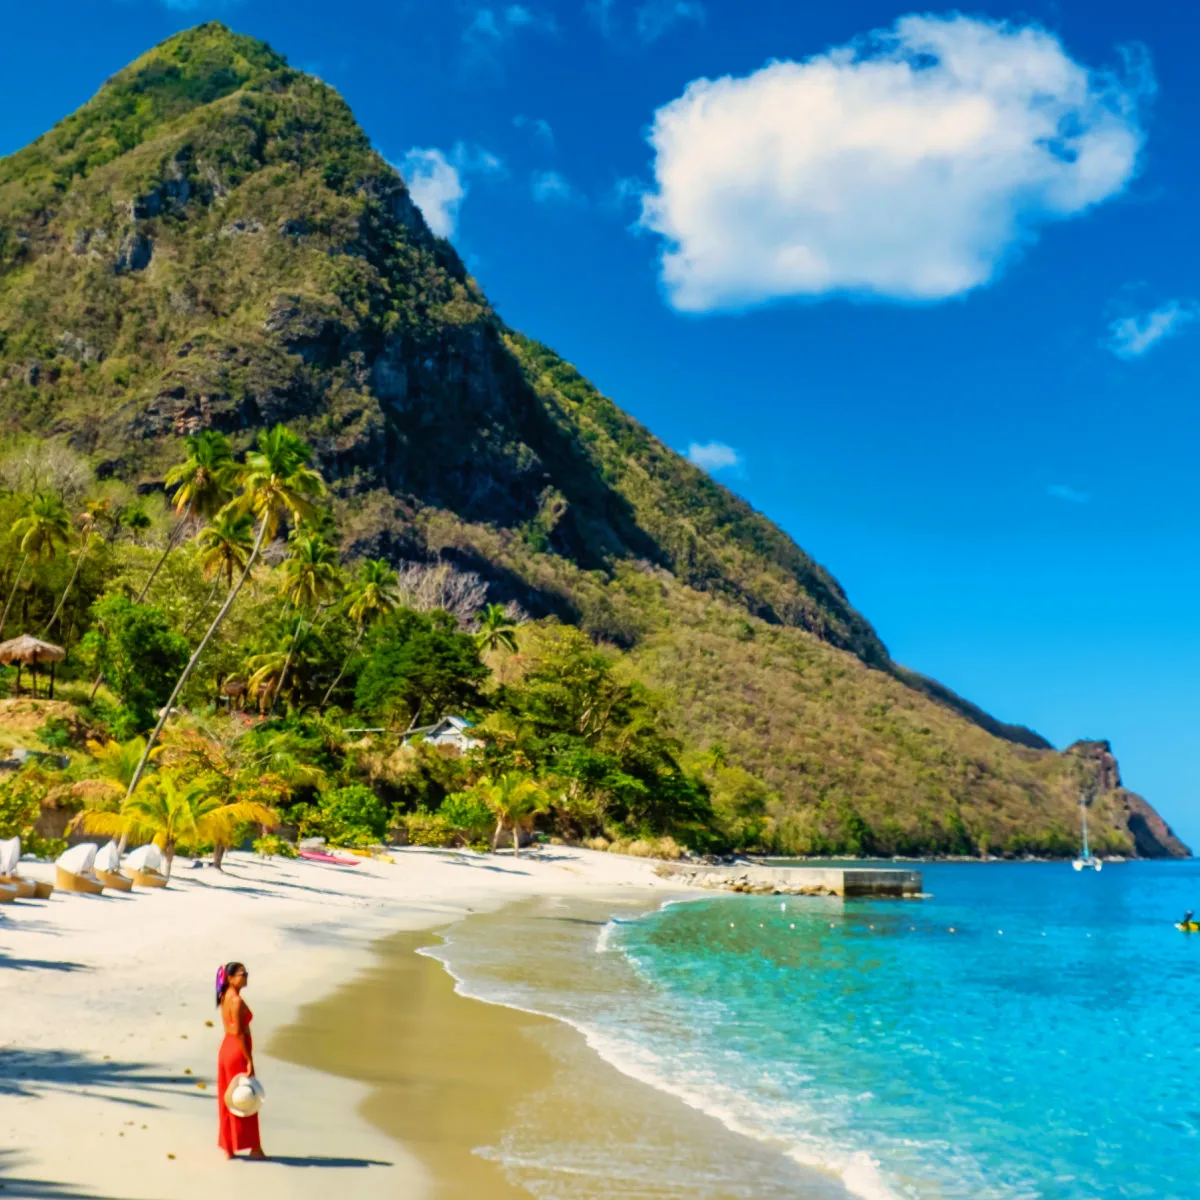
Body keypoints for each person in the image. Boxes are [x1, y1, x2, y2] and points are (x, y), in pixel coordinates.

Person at [216, 961, 267, 1160]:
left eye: (246, 974)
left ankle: (228, 1147)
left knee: (229, 1098)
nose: (246, 977)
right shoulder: (235, 1000)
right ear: (230, 978)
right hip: (236, 1050)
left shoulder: (224, 996)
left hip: (226, 1049)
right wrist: (249, 1059)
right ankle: (255, 1148)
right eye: (242, 974)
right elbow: (239, 1032)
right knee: (247, 1097)